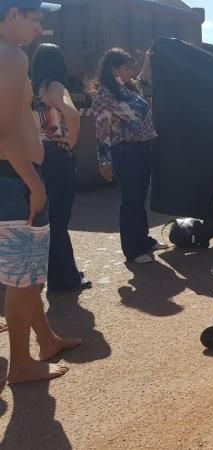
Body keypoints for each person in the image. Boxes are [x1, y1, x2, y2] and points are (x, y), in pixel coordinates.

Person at [0, 0, 81, 384]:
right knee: (24, 278)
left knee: (29, 273)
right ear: (12, 14)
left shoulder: (11, 56)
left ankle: (45, 341)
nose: (39, 29)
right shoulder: (11, 57)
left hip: (15, 177)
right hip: (15, 180)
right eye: (34, 19)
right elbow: (3, 134)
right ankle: (21, 363)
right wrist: (33, 184)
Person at [91, 47, 166, 264]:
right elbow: (102, 130)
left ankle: (143, 240)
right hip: (125, 151)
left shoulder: (129, 88)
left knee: (139, 198)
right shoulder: (104, 94)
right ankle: (132, 250)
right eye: (126, 68)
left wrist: (147, 60)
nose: (130, 72)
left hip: (142, 148)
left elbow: (143, 79)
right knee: (130, 200)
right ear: (114, 69)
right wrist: (104, 161)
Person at [30, 42, 91, 292]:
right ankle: (65, 279)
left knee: (50, 219)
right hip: (58, 153)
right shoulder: (55, 86)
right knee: (59, 220)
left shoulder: (32, 89)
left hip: (39, 154)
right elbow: (72, 114)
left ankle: (61, 272)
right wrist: (72, 140)